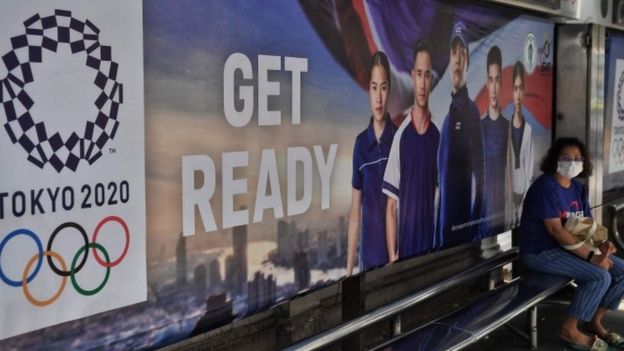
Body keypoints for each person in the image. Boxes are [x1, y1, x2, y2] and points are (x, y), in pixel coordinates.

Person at [521, 137, 624, 350]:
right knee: (599, 276)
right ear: (554, 160)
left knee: (622, 270)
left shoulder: (577, 188)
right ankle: (570, 329)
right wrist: (593, 258)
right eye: (566, 157)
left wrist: (601, 245)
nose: (572, 162)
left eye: (577, 158)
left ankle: (594, 321)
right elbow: (556, 231)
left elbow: (583, 226)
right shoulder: (545, 187)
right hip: (541, 252)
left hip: (566, 249)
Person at [383, 38, 440, 261]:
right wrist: (393, 256)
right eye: (419, 74)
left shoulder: (437, 137)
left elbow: (441, 199)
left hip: (433, 252)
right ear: (412, 76)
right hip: (406, 253)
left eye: (427, 75)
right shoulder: (401, 137)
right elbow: (390, 206)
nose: (423, 82)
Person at [347, 51, 395, 275]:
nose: (378, 97)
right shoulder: (360, 145)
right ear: (368, 90)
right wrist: (348, 273)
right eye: (374, 87)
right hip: (367, 260)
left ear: (389, 90)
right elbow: (355, 214)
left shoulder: (400, 139)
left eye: (383, 87)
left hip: (397, 258)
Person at [437, 20, 485, 247]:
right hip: (443, 244)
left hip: (461, 244)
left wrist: (472, 233)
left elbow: (482, 182)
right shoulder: (447, 120)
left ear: (467, 62)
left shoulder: (471, 112)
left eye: (462, 52)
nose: (457, 58)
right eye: (453, 52)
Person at [480, 46, 510, 237]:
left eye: (497, 79)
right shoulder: (478, 128)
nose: (493, 86)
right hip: (482, 214)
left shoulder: (509, 127)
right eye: (490, 80)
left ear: (501, 81)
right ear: (487, 82)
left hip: (505, 214)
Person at [510, 61, 534, 227]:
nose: (518, 95)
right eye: (515, 88)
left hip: (523, 195)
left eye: (521, 88)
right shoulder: (505, 127)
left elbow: (530, 167)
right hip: (507, 198)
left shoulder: (528, 129)